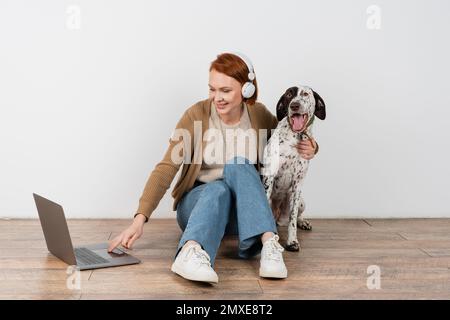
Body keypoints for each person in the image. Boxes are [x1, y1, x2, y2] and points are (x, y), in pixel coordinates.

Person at [108, 52, 318, 284]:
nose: (217, 97)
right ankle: (189, 252)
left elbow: (288, 134)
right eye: (212, 89)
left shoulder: (259, 116)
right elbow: (167, 167)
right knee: (218, 189)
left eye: (225, 90)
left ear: (247, 89)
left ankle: (270, 246)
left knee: (238, 164)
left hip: (244, 212)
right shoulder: (196, 115)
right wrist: (139, 219)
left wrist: (312, 146)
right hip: (199, 205)